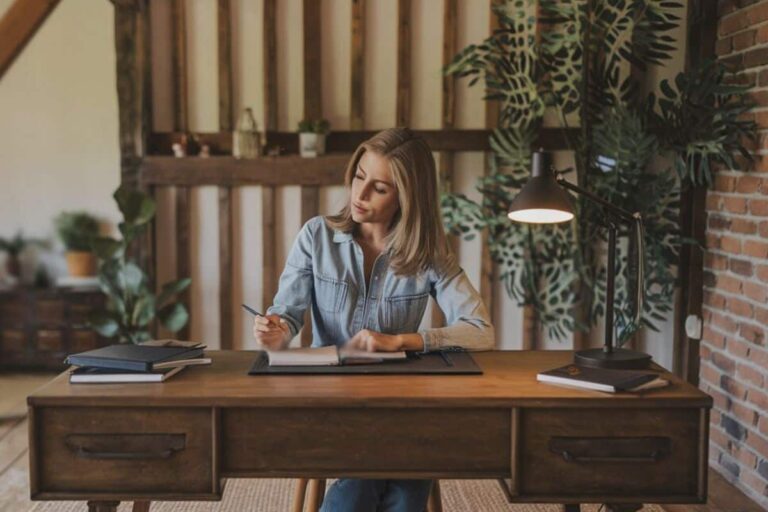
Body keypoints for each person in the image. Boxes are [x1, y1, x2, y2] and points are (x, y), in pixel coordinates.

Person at [252, 127, 495, 512]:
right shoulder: (316, 236)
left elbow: (481, 331)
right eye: (360, 177)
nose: (359, 195)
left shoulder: (428, 252)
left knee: (400, 477)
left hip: (402, 399)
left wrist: (401, 341)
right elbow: (286, 318)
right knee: (376, 470)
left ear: (407, 197)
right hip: (330, 397)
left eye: (379, 188)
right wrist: (275, 331)